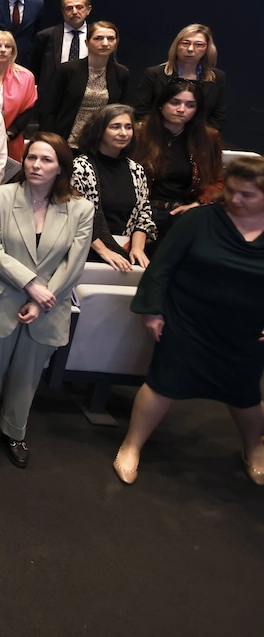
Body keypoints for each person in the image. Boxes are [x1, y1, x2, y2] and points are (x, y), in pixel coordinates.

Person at [113, 155, 264, 487]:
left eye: (247, 195)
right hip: (188, 319)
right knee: (163, 384)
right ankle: (131, 447)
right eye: (233, 191)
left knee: (245, 393)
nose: (235, 200)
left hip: (246, 330)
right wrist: (153, 310)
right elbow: (161, 266)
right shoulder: (200, 220)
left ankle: (254, 448)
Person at [0, 133, 93, 468]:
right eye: (32, 157)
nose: (36, 165)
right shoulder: (1, 197)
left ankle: (14, 431)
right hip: (0, 298)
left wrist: (40, 299)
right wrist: (31, 285)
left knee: (28, 374)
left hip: (49, 304)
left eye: (46, 160)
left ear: (62, 166)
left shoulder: (80, 208)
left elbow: (74, 262)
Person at [134, 79, 224, 244]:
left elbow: (217, 180)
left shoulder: (208, 138)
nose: (181, 109)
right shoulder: (138, 133)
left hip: (181, 213)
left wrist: (199, 203)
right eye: (175, 102)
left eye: (190, 105)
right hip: (138, 212)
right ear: (161, 104)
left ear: (197, 110)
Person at [71, 105, 155, 270]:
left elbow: (143, 216)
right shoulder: (80, 167)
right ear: (99, 130)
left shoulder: (136, 170)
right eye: (115, 127)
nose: (123, 133)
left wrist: (138, 248)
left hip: (125, 253)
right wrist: (104, 252)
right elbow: (75, 218)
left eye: (128, 127)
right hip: (88, 252)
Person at [36, 21, 128, 147]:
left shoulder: (121, 73)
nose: (105, 43)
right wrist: (47, 141)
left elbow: (121, 110)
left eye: (111, 38)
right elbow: (48, 109)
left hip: (102, 143)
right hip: (67, 141)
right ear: (87, 42)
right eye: (98, 38)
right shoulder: (67, 70)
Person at [132, 24, 228, 128]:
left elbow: (218, 116)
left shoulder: (217, 77)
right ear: (176, 46)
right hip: (158, 136)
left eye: (199, 44)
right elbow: (142, 111)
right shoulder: (154, 74)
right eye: (185, 43)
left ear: (207, 49)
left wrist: (204, 138)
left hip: (200, 139)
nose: (190, 49)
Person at [0, 29, 38, 162]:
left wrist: (9, 134)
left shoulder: (26, 77)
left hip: (12, 139)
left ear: (13, 51)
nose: (3, 50)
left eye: (8, 46)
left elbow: (28, 111)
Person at [29, 0, 93, 88]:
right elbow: (35, 69)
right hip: (54, 93)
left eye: (79, 7)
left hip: (88, 91)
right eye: (69, 8)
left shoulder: (97, 36)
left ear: (88, 10)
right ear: (63, 12)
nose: (74, 12)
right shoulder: (45, 36)